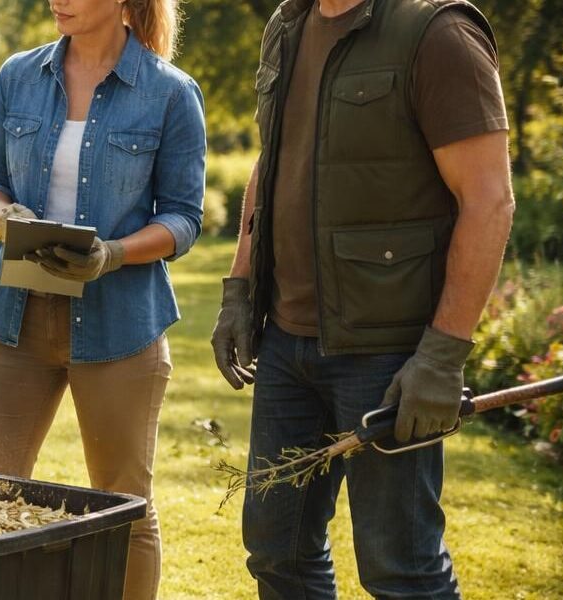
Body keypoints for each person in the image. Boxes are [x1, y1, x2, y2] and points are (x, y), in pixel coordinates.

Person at [210, 0, 513, 596]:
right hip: (285, 345)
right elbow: (271, 162)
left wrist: (443, 357)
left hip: (389, 356)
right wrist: (239, 289)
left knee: (402, 569)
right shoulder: (289, 25)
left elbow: (489, 200)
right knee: (277, 555)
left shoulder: (437, 33)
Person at [0, 0, 204, 598]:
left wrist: (114, 253)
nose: (57, 1)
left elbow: (184, 219)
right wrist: (4, 218)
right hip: (13, 323)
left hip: (120, 328)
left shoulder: (171, 93)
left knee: (125, 508)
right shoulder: (19, 75)